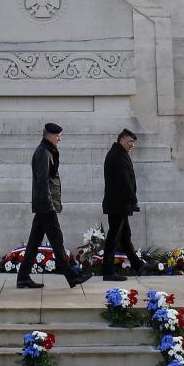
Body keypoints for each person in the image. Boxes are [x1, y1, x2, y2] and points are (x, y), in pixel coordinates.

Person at [16, 122, 91, 290]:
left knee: (34, 242)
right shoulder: (44, 153)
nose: (60, 139)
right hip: (46, 206)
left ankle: (22, 277)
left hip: (44, 205)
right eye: (58, 136)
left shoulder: (47, 151)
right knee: (57, 241)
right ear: (48, 135)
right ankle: (72, 277)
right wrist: (49, 205)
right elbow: (43, 182)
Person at [101, 128, 144, 280]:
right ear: (122, 139)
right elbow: (124, 181)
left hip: (119, 204)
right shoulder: (117, 155)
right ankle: (108, 271)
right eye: (130, 141)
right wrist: (133, 200)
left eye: (133, 142)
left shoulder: (119, 153)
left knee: (125, 237)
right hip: (118, 204)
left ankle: (138, 265)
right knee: (114, 237)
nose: (132, 145)